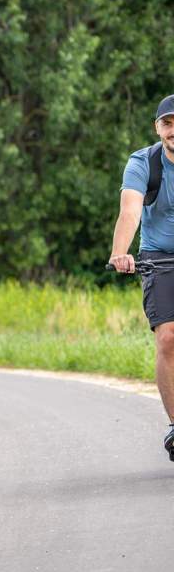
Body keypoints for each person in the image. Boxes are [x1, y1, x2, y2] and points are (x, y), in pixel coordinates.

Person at [109, 94, 174, 461]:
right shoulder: (143, 163)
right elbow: (130, 211)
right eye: (167, 124)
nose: (173, 131)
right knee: (168, 336)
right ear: (158, 128)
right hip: (160, 256)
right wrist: (121, 251)